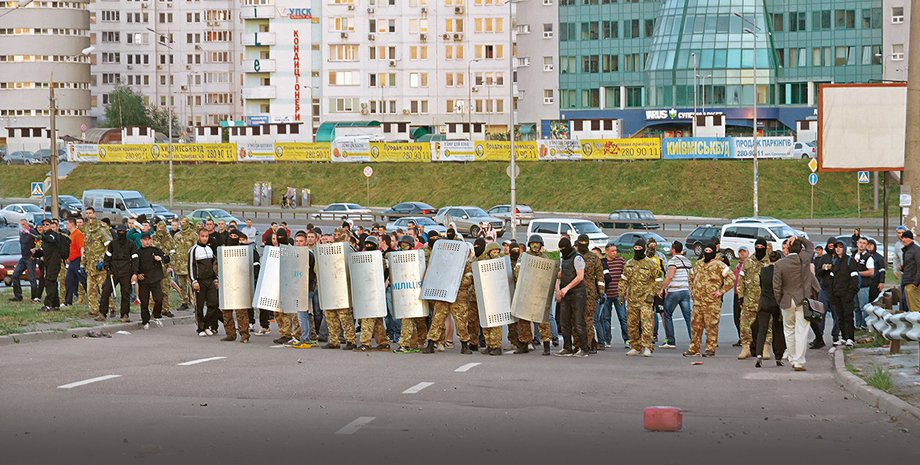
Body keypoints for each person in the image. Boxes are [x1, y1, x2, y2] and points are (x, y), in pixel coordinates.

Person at [773, 236, 820, 371]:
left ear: (788, 249)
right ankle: (799, 361)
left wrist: (780, 300)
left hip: (787, 300)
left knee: (788, 330)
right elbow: (810, 245)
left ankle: (792, 358)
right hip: (803, 299)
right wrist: (798, 237)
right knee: (802, 331)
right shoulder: (804, 259)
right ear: (800, 249)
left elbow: (776, 286)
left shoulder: (780, 264)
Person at [686, 242, 733, 357]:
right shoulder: (698, 264)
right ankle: (694, 349)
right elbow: (691, 277)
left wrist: (721, 291)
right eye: (705, 251)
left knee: (711, 326)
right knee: (695, 326)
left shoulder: (719, 265)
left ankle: (710, 349)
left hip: (711, 302)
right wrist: (692, 291)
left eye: (709, 251)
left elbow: (731, 278)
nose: (707, 253)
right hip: (698, 302)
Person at [621, 239, 659, 357]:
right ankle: (635, 346)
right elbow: (624, 280)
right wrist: (621, 294)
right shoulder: (629, 263)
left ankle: (647, 346)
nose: (637, 250)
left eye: (639, 248)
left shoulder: (650, 264)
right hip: (632, 299)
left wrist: (652, 293)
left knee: (646, 323)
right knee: (631, 324)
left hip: (645, 299)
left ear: (644, 249)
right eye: (635, 248)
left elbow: (658, 280)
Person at [321, 228, 356, 350]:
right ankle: (334, 340)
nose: (336, 237)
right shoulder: (328, 250)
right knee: (330, 315)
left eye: (339, 235)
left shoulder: (349, 250)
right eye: (335, 235)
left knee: (345, 316)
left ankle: (350, 340)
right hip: (330, 286)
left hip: (343, 288)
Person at [554, 237, 589, 357]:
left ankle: (584, 348)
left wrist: (567, 288)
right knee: (564, 322)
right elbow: (564, 273)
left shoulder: (578, 258)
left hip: (578, 294)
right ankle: (567, 347)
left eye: (563, 249)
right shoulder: (564, 258)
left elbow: (580, 277)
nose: (562, 251)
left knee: (579, 322)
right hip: (565, 294)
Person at [355, 236, 390, 352]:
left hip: (375, 290)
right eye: (367, 244)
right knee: (377, 319)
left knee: (368, 317)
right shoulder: (363, 257)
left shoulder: (380, 258)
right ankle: (383, 342)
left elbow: (384, 273)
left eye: (371, 244)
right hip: (367, 290)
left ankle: (365, 343)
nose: (369, 246)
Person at [394, 236, 429, 353]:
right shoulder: (397, 259)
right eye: (402, 245)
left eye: (406, 245)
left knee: (420, 320)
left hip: (416, 291)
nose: (403, 247)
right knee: (407, 318)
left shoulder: (417, 257)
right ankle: (405, 343)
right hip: (405, 293)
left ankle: (420, 341)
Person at [736, 239, 770, 359]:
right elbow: (741, 280)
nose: (759, 248)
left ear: (765, 248)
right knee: (745, 325)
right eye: (757, 246)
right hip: (749, 300)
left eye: (761, 246)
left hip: (765, 300)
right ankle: (746, 348)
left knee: (767, 325)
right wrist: (740, 296)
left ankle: (765, 348)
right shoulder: (748, 262)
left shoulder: (770, 262)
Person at [98, 225, 139, 322]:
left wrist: (134, 273)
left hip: (126, 272)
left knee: (125, 293)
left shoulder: (131, 244)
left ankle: (125, 314)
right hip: (113, 272)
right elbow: (107, 257)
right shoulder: (112, 244)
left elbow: (135, 259)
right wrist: (107, 267)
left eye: (123, 231)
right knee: (105, 291)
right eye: (119, 231)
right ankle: (102, 313)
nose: (121, 233)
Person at [754, 251, 787, 368]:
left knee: (762, 330)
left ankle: (758, 355)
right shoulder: (780, 272)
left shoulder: (763, 271)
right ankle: (778, 357)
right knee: (777, 330)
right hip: (776, 303)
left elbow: (761, 286)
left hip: (764, 302)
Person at [574, 234, 604, 354]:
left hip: (590, 293)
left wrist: (601, 292)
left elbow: (600, 276)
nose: (583, 244)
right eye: (581, 242)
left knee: (588, 320)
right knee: (575, 319)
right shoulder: (574, 256)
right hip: (575, 292)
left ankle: (588, 344)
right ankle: (577, 344)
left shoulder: (594, 258)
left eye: (585, 242)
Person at [659, 241, 692, 349]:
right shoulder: (687, 261)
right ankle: (694, 340)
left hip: (674, 291)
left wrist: (662, 289)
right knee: (688, 316)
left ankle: (671, 341)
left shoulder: (672, 261)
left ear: (673, 249)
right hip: (685, 291)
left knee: (667, 314)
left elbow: (670, 276)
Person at [81, 208, 113, 318]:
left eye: (90, 213)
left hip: (100, 266)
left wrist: (103, 260)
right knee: (90, 289)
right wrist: (83, 263)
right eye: (87, 213)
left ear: (94, 214)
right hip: (90, 265)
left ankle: (110, 307)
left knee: (104, 289)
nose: (88, 215)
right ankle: (93, 309)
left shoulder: (101, 228)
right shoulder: (86, 229)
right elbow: (86, 248)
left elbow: (109, 245)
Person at [189, 228, 220, 336]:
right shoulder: (194, 249)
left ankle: (207, 325)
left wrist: (215, 279)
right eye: (202, 236)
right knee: (200, 305)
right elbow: (191, 266)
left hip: (210, 280)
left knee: (214, 303)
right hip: (199, 281)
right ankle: (200, 328)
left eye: (206, 236)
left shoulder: (210, 249)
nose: (205, 238)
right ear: (198, 236)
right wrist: (194, 281)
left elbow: (214, 266)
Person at [136, 232, 169, 330]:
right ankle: (145, 321)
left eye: (148, 240)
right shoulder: (138, 253)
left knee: (159, 299)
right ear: (141, 241)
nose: (147, 242)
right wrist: (137, 275)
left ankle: (156, 314)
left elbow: (167, 258)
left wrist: (161, 258)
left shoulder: (155, 250)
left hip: (155, 279)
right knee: (144, 302)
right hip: (144, 280)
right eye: (145, 240)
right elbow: (134, 266)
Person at [829, 241, 859, 347]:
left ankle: (850, 338)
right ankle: (844, 337)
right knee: (840, 316)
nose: (838, 249)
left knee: (848, 315)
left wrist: (850, 293)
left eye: (840, 247)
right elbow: (832, 278)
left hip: (847, 294)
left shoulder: (850, 261)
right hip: (837, 294)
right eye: (836, 247)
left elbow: (855, 279)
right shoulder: (835, 261)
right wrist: (832, 293)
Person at [598, 243, 627, 349]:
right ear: (606, 252)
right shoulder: (602, 263)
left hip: (619, 294)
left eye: (615, 251)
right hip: (607, 294)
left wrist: (625, 291)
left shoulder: (620, 261)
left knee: (623, 318)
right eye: (612, 251)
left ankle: (627, 339)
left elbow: (625, 276)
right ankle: (607, 340)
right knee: (606, 318)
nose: (614, 253)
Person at [812, 238, 839, 348]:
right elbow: (817, 273)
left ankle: (836, 337)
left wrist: (833, 268)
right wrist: (824, 269)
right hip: (824, 289)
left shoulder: (839, 258)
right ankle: (819, 337)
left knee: (836, 315)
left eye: (833, 246)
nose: (831, 247)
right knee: (820, 315)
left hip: (836, 291)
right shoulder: (824, 258)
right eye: (829, 246)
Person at [38, 219, 65, 312]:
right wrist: (36, 253)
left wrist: (42, 237)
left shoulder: (53, 235)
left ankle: (48, 304)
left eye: (47, 224)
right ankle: (55, 304)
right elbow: (46, 252)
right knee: (52, 283)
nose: (45, 226)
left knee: (49, 282)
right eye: (44, 224)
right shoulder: (45, 236)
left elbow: (51, 239)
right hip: (48, 263)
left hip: (54, 263)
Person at [9, 219, 38, 303]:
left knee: (32, 278)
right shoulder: (22, 233)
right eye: (21, 225)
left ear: (27, 224)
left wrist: (35, 253)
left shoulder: (32, 232)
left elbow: (38, 243)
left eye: (24, 224)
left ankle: (34, 297)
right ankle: (18, 296)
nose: (22, 226)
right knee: (15, 275)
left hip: (30, 258)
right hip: (23, 257)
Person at [152, 222, 177, 318]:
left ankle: (165, 309)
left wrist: (171, 266)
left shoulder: (169, 238)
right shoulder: (153, 237)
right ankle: (154, 310)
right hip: (154, 268)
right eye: (159, 228)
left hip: (165, 267)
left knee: (165, 289)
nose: (160, 230)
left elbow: (173, 253)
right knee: (154, 290)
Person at [171, 218, 196, 311]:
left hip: (190, 265)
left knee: (191, 285)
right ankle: (184, 301)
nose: (182, 224)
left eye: (184, 222)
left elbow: (196, 249)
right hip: (179, 265)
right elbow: (173, 250)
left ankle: (194, 303)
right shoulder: (177, 235)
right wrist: (173, 263)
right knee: (182, 285)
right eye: (181, 222)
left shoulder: (193, 235)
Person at [852, 237, 875, 330]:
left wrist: (858, 273)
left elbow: (871, 272)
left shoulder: (868, 257)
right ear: (857, 243)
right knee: (856, 307)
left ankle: (864, 325)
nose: (861, 244)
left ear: (866, 245)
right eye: (860, 242)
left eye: (864, 243)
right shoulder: (853, 255)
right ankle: (858, 325)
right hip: (853, 285)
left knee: (863, 306)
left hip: (864, 285)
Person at [63, 218, 85, 307]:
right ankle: (68, 301)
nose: (66, 225)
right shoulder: (71, 235)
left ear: (72, 224)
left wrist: (82, 262)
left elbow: (81, 247)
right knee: (69, 281)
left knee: (84, 280)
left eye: (67, 223)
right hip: (72, 261)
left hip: (78, 260)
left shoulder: (78, 234)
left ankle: (95, 299)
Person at [731, 246, 749, 347]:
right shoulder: (738, 265)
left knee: (745, 318)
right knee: (736, 317)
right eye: (740, 252)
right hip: (736, 293)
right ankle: (741, 337)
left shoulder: (749, 264)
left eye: (743, 252)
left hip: (745, 294)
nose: (741, 254)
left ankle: (747, 339)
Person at [900, 230, 920, 312]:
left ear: (911, 239)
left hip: (913, 283)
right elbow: (911, 265)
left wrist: (916, 282)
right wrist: (903, 268)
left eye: (906, 237)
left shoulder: (916, 250)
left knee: (916, 308)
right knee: (911, 308)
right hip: (907, 282)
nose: (903, 240)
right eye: (902, 238)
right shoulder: (907, 250)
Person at [867, 240, 886, 305]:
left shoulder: (879, 257)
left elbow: (882, 270)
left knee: (874, 301)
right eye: (868, 244)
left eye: (871, 244)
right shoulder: (864, 256)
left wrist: (882, 282)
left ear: (874, 246)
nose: (869, 246)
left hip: (875, 282)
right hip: (866, 282)